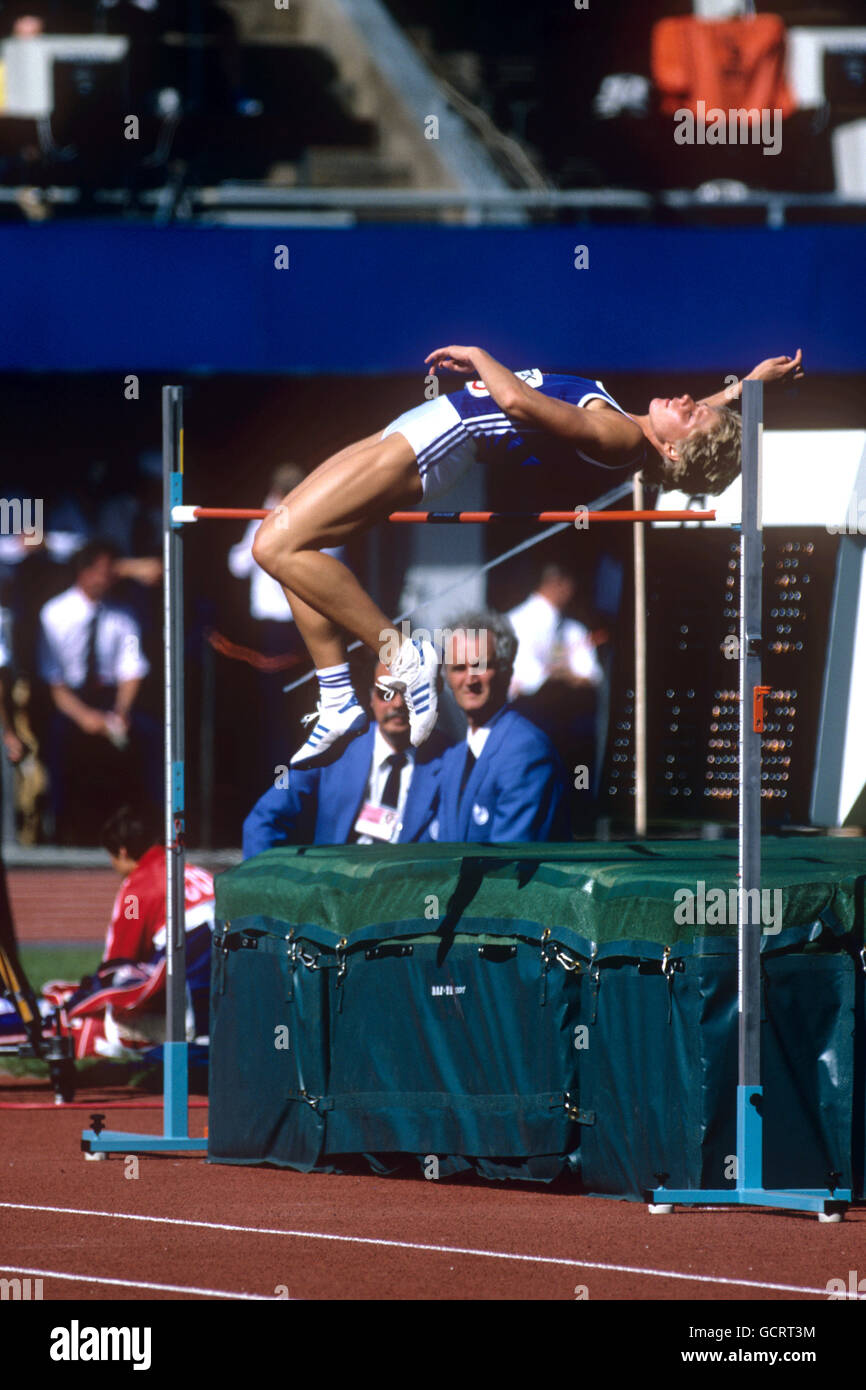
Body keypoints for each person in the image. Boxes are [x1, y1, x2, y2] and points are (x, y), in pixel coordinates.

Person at [250, 345, 804, 769]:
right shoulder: (639, 429)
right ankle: (338, 696)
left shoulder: (616, 435)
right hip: (428, 424)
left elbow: (515, 401)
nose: (687, 400)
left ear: (676, 448)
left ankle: (403, 653)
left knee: (275, 546)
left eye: (691, 414)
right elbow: (689, 432)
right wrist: (742, 391)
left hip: (444, 439)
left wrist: (477, 356)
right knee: (294, 541)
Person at [40, 804, 215, 1059]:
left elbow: (120, 961)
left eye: (111, 857)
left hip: (189, 995)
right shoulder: (193, 870)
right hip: (228, 977)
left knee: (108, 1010)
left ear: (122, 852)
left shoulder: (136, 890)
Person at [242, 660, 449, 856]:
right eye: (385, 693)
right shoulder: (332, 748)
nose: (397, 704)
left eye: (408, 693)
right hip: (335, 885)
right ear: (370, 698)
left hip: (405, 886)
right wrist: (267, 886)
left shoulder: (450, 758)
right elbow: (264, 820)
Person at [38, 539, 155, 844]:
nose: (108, 578)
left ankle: (138, 831)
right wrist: (85, 717)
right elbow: (54, 680)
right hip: (71, 702)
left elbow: (131, 668)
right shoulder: (54, 613)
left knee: (149, 738)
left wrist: (120, 712)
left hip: (110, 700)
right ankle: (60, 833)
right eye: (103, 571)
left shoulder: (123, 615)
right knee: (59, 741)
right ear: (85, 572)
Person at [429, 610, 570, 843]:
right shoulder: (453, 758)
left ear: (506, 671)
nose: (470, 679)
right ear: (447, 677)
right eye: (458, 668)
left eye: (480, 666)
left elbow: (509, 862)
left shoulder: (525, 750)